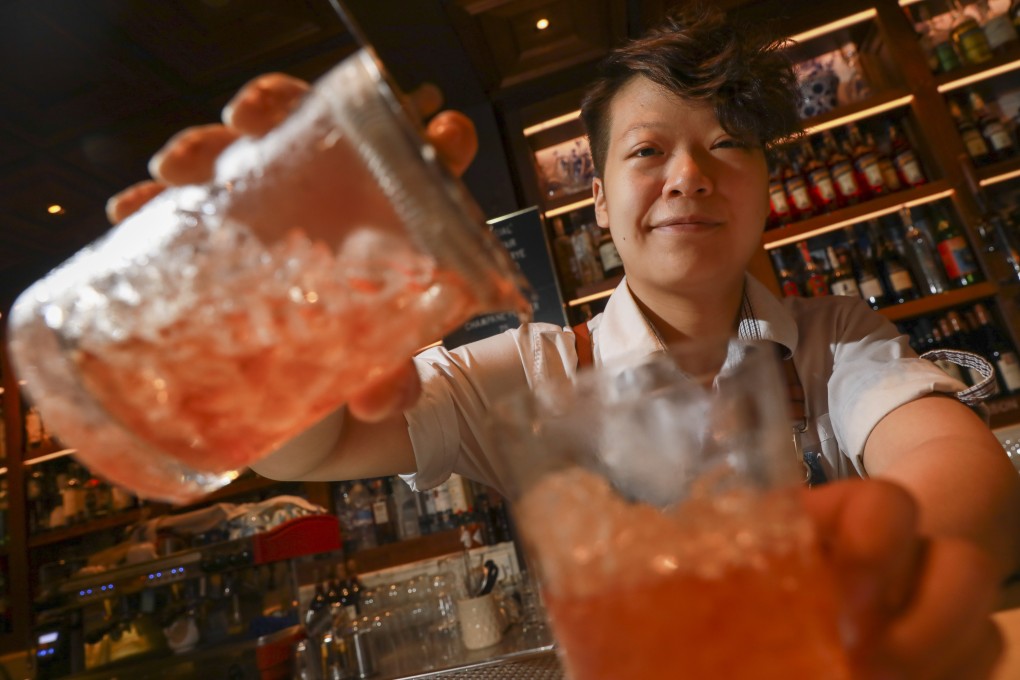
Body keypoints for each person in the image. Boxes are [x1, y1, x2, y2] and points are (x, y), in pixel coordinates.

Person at [107, 5, 1020, 677]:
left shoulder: (834, 336)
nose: (689, 177)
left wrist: (861, 579)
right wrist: (283, 337)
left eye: (728, 146)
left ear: (767, 185)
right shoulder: (530, 370)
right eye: (648, 150)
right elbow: (318, 444)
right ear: (599, 203)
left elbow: (955, 461)